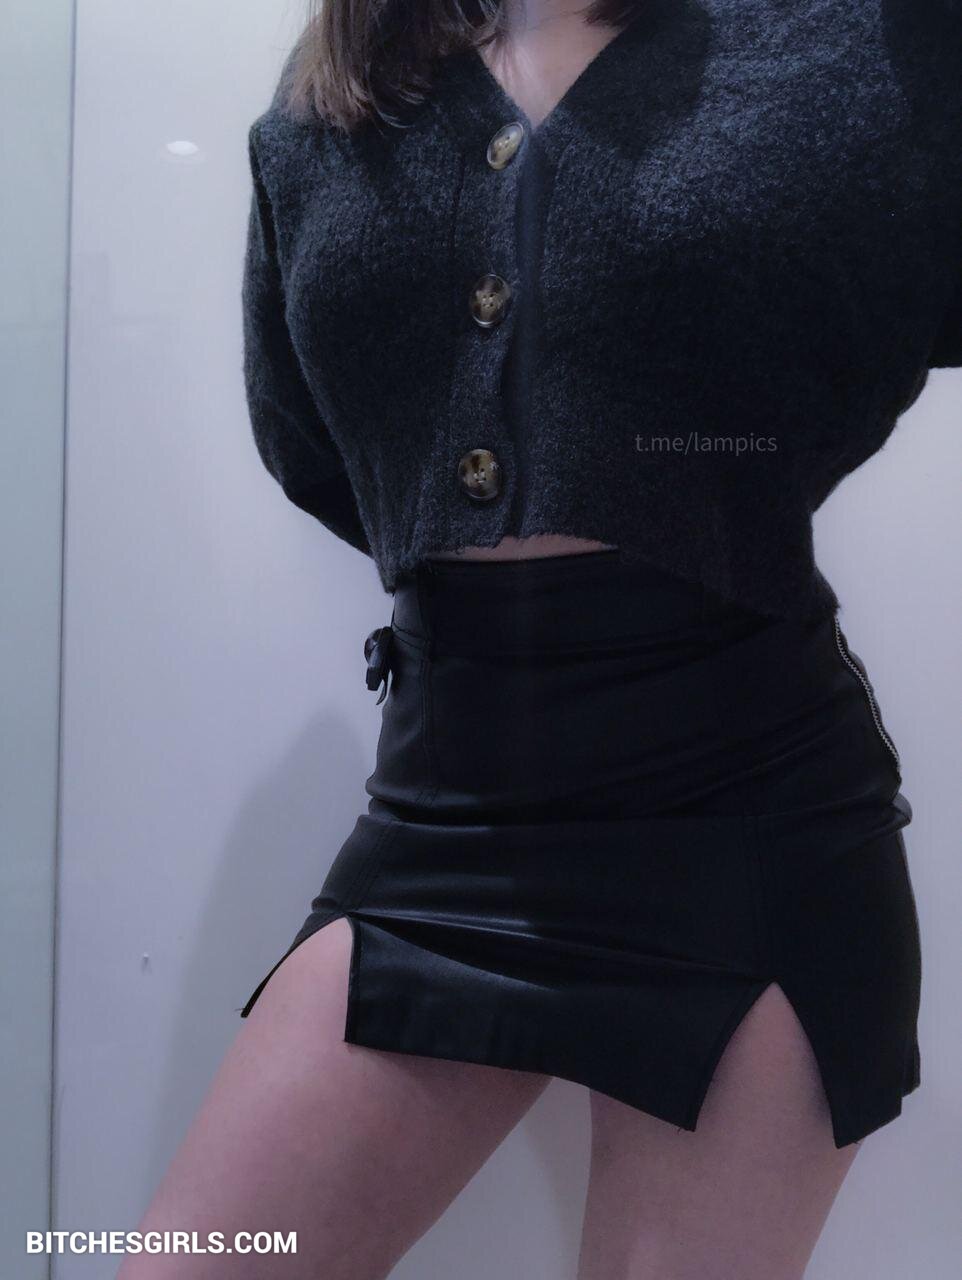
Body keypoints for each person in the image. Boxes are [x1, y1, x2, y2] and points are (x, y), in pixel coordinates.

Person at [120, 1, 961, 1275]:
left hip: (745, 824)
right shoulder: (339, 89)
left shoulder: (855, 42)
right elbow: (314, 444)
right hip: (439, 820)